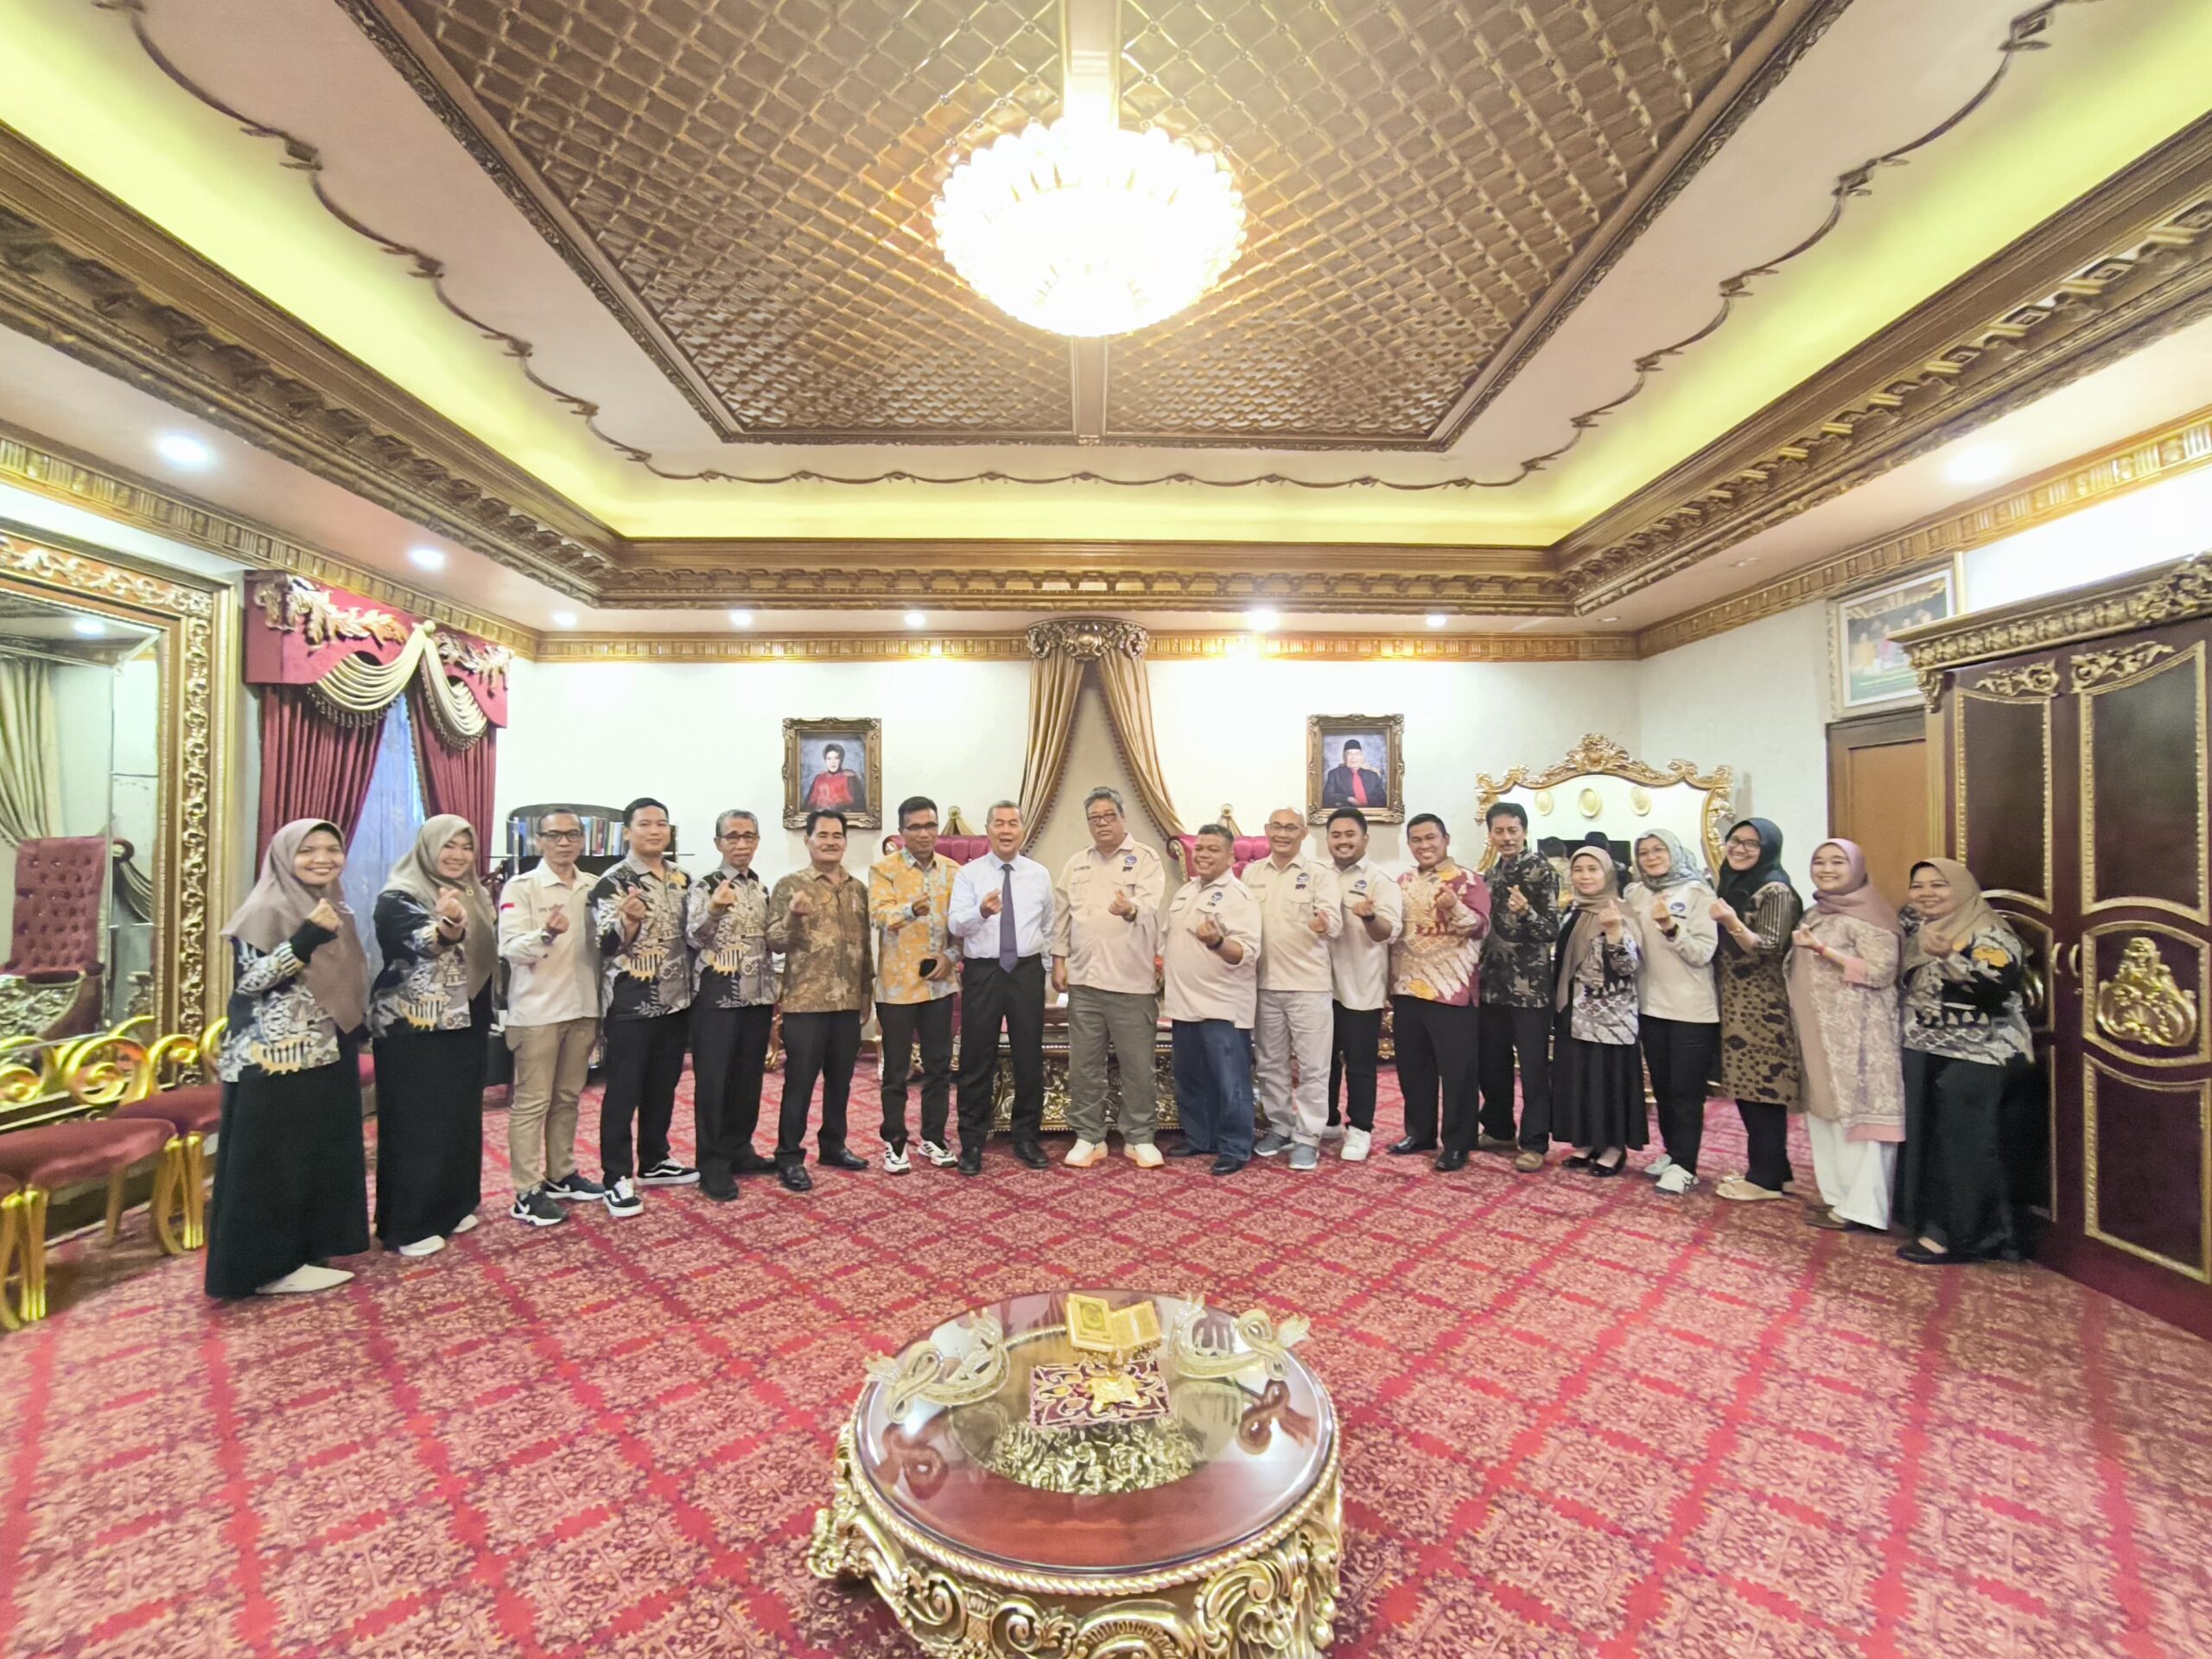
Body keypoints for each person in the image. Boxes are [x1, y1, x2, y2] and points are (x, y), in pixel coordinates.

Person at [205, 819, 372, 1298]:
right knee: (275, 1161)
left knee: (314, 1153)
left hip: (324, 1049)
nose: (322, 859)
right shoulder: (266, 907)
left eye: (332, 849)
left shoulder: (333, 905)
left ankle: (304, 1250)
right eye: (308, 851)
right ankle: (267, 1267)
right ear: (283, 856)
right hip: (277, 1058)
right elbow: (250, 980)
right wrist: (303, 940)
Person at [1893, 858, 2032, 1264]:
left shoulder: (1988, 934)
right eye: (1918, 886)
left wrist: (1952, 957)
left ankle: (1962, 1235)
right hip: (1925, 1049)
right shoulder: (1918, 927)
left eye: (1939, 886)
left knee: (1963, 1149)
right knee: (1929, 1142)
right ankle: (1929, 1221)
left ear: (1964, 889)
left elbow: (1995, 988)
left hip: (1980, 1055)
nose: (1926, 894)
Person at [369, 816, 493, 1257]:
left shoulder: (473, 892)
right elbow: (424, 942)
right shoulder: (398, 896)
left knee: (457, 1117)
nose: (458, 855)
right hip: (414, 1027)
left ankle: (450, 1204)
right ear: (426, 848)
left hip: (466, 1018)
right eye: (448, 846)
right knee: (419, 1124)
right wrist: (447, 928)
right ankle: (407, 1224)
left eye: (465, 846)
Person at [1788, 840, 1905, 1234]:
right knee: (1826, 1114)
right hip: (1820, 1033)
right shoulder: (1816, 911)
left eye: (1837, 862)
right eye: (1819, 861)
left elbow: (1881, 971)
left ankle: (1864, 1208)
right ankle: (1838, 1198)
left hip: (1860, 1037)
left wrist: (1824, 950)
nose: (1826, 869)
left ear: (1856, 867)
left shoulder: (1873, 914)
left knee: (1862, 1121)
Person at [498, 808, 607, 1227]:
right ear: (538, 841)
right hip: (537, 1012)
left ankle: (561, 1174)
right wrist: (546, 934)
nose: (564, 843)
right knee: (532, 1103)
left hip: (582, 1007)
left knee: (567, 1098)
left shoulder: (593, 887)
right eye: (555, 836)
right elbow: (510, 948)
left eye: (572, 835)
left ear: (582, 841)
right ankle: (526, 1191)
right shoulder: (522, 886)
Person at [590, 798, 696, 1218]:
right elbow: (603, 944)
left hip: (677, 1001)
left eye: (662, 824)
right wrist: (628, 921)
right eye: (645, 824)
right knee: (624, 1090)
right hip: (632, 1004)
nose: (655, 831)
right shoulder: (612, 882)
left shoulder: (683, 879)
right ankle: (615, 1175)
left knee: (663, 1085)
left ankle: (654, 1159)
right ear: (628, 832)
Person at [1053, 786, 1167, 1169]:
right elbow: (1062, 918)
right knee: (1085, 1065)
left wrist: (1129, 908)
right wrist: (1058, 960)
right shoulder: (1076, 864)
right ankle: (1089, 1136)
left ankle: (1140, 1137)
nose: (1102, 823)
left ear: (1122, 818)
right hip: (1085, 982)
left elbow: (1150, 907)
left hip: (1132, 983)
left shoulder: (1146, 859)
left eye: (1108, 816)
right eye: (1094, 818)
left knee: (1137, 1065)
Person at [766, 808, 874, 1192]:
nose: (830, 842)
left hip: (846, 1003)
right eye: (822, 835)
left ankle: (833, 1146)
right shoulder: (789, 885)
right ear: (807, 839)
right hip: (806, 1003)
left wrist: (866, 993)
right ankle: (789, 1155)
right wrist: (795, 917)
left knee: (841, 1082)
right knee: (800, 1082)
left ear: (846, 841)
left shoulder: (857, 888)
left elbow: (865, 948)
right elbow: (774, 941)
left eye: (837, 835)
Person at [948, 802, 1054, 1174]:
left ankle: (1026, 1137)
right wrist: (981, 911)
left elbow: (1049, 926)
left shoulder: (1039, 874)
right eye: (999, 824)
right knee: (977, 1058)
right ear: (988, 830)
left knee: (1028, 1056)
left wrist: (1048, 970)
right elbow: (956, 925)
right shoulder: (969, 874)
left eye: (1013, 823)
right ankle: (972, 1141)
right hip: (984, 972)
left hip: (1025, 972)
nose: (1006, 830)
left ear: (1023, 830)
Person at [1709, 819, 1806, 1203]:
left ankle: (1763, 1178)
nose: (1741, 849)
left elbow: (1766, 947)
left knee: (1764, 1088)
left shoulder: (1776, 889)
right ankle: (1777, 1172)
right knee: (1749, 1089)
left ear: (1768, 848)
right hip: (1737, 1000)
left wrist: (1731, 922)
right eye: (1736, 841)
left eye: (1752, 843)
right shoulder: (1733, 884)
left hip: (1764, 1005)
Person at [1390, 811, 1491, 1172]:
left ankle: (1458, 1143)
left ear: (1446, 839)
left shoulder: (1468, 880)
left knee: (1457, 1073)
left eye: (1430, 838)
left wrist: (1455, 907)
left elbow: (1480, 929)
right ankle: (1419, 1133)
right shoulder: (1400, 882)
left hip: (1452, 990)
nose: (1424, 845)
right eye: (1416, 839)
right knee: (1413, 1069)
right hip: (1407, 988)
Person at [1245, 808, 1343, 1172]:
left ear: (1303, 834)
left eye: (1291, 828)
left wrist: (1322, 923)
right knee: (1270, 1065)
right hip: (1264, 985)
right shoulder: (1252, 873)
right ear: (1267, 830)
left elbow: (1335, 922)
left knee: (1314, 1067)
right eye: (1276, 827)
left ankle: (1308, 1136)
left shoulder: (1320, 875)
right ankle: (1281, 1126)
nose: (1282, 833)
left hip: (1309, 986)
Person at [1163, 823, 1262, 1176]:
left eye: (1213, 849)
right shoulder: (1185, 891)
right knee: (1191, 1077)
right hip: (1183, 1004)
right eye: (1199, 848)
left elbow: (1246, 954)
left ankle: (1235, 1146)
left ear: (1231, 857)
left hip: (1223, 1005)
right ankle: (1200, 1137)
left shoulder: (1239, 896)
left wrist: (1218, 942)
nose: (1203, 855)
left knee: (1230, 1081)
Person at [688, 810, 777, 1202]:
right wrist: (715, 909)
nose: (741, 844)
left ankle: (740, 1149)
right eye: (733, 837)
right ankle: (712, 1163)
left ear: (757, 840)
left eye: (749, 837)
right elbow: (694, 937)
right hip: (717, 999)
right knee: (714, 1083)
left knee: (747, 1080)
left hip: (757, 996)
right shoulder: (704, 886)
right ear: (718, 843)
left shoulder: (760, 887)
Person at [1624, 829, 1719, 1196]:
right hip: (1650, 1004)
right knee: (1662, 1087)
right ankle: (1672, 1152)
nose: (1650, 857)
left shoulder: (1697, 893)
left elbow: (1701, 953)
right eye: (1643, 851)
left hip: (1690, 1008)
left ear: (1675, 852)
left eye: (1658, 850)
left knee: (1685, 1091)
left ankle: (1686, 1165)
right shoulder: (1636, 893)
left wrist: (1669, 927)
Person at [870, 797, 959, 1173]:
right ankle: (894, 1143)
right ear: (902, 832)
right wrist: (910, 910)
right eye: (916, 827)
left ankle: (933, 1138)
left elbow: (963, 929)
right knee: (897, 1070)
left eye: (930, 826)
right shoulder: (884, 869)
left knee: (939, 1068)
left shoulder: (954, 871)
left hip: (939, 985)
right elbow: (879, 914)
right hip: (896, 988)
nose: (924, 833)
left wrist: (951, 958)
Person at [1552, 847, 1643, 1176]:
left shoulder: (1621, 911)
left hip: (1610, 1018)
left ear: (1607, 874)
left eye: (1593, 869)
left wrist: (1616, 932)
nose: (1585, 876)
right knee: (1580, 1079)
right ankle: (1587, 1141)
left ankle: (1614, 1147)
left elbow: (1628, 966)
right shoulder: (1572, 912)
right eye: (1579, 870)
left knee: (1608, 1082)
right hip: (1574, 1014)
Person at [1477, 803, 1557, 1173]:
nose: (1506, 838)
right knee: (1492, 1064)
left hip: (1531, 988)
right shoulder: (1490, 875)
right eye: (1499, 831)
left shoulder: (1542, 871)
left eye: (1513, 830)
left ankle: (1536, 1141)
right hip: (1493, 985)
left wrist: (1527, 912)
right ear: (1490, 834)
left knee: (1534, 1068)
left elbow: (1550, 932)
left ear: (1524, 830)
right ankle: (1498, 1129)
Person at [1321, 806, 1402, 1162]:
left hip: (1361, 987)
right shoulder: (1317, 876)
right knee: (1321, 1062)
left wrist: (1369, 916)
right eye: (1336, 835)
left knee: (1360, 1063)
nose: (1342, 841)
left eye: (1349, 835)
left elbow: (1387, 933)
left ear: (1364, 839)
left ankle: (1361, 1128)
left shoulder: (1381, 882)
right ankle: (1327, 1120)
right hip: (1320, 986)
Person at [1320, 739, 1388, 810]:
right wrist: (1348, 799)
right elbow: (1327, 796)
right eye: (1349, 754)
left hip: (1372, 813)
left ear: (1362, 757)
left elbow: (1383, 800)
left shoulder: (1372, 775)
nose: (1353, 757)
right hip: (1348, 814)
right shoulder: (1335, 774)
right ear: (1344, 757)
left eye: (1357, 754)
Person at [804, 743, 865, 811]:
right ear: (825, 760)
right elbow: (808, 806)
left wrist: (837, 808)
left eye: (836, 758)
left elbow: (859, 807)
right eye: (829, 758)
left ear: (841, 759)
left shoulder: (850, 777)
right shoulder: (819, 778)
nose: (832, 762)